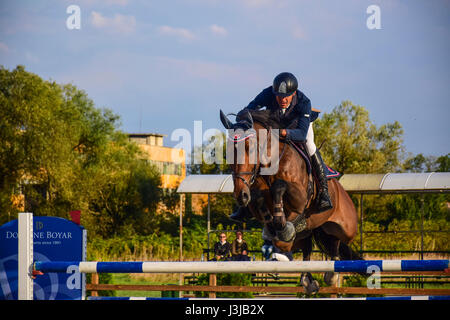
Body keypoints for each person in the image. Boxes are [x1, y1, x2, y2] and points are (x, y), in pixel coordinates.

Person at [230, 72, 333, 223]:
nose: (282, 100)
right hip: (276, 125)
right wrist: (242, 121)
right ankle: (247, 205)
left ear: (294, 93)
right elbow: (248, 110)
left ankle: (324, 191)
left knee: (310, 145)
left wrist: (286, 133)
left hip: (298, 127)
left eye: (286, 97)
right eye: (278, 96)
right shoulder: (267, 93)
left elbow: (302, 134)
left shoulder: (304, 102)